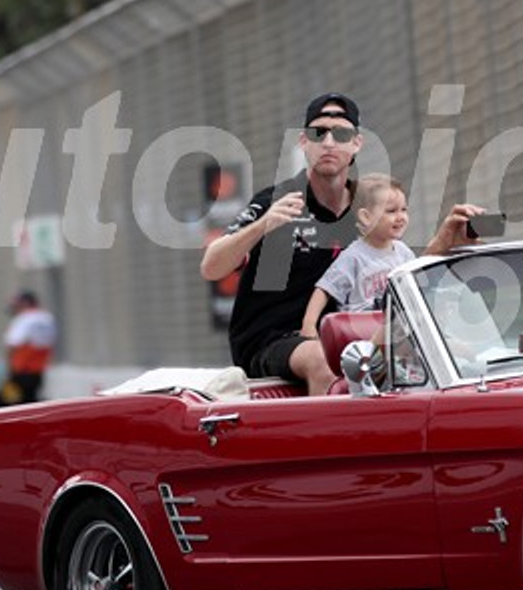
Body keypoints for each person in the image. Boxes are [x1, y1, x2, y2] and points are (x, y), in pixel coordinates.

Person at [200, 92, 483, 396]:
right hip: (274, 340)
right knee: (326, 360)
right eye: (318, 133)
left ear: (356, 144)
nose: (329, 143)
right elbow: (211, 266)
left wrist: (444, 240)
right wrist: (263, 226)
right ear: (303, 142)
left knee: (460, 351)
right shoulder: (278, 200)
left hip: (355, 335)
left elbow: (397, 273)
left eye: (342, 134)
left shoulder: (368, 206)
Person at [300, 173, 414, 337]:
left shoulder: (403, 252)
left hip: (395, 329)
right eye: (391, 211)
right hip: (361, 331)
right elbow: (325, 289)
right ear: (366, 217)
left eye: (404, 209)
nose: (401, 217)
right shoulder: (353, 257)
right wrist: (309, 325)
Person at [0, 289, 56, 405]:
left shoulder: (24, 319)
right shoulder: (47, 318)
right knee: (31, 404)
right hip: (38, 372)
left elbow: (12, 346)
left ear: (25, 303)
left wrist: (7, 370)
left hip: (21, 372)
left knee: (3, 404)